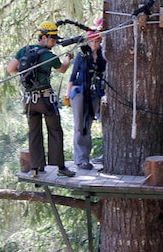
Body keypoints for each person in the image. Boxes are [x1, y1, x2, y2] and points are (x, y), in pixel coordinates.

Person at [8, 21, 73, 176]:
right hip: (45, 100)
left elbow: (10, 69)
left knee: (34, 133)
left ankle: (36, 168)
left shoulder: (24, 50)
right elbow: (62, 69)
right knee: (55, 131)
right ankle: (60, 168)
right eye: (52, 39)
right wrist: (68, 58)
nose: (55, 42)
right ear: (43, 37)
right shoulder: (48, 55)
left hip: (30, 101)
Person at [64, 29, 106, 170]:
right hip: (80, 92)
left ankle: (85, 158)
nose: (95, 43)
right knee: (79, 125)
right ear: (88, 41)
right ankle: (80, 159)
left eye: (97, 41)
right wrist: (67, 95)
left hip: (94, 94)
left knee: (87, 124)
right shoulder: (81, 55)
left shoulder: (101, 57)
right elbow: (73, 76)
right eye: (93, 41)